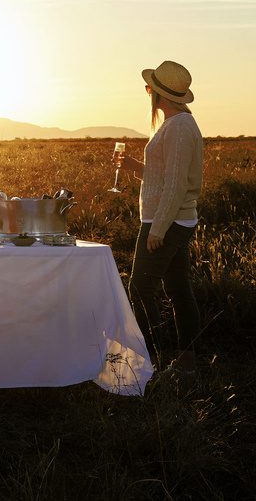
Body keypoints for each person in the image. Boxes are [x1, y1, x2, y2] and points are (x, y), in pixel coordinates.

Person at [119, 59, 203, 379]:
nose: (147, 91)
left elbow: (177, 185)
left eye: (149, 88)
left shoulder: (179, 126)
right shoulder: (176, 124)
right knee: (179, 290)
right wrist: (134, 167)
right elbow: (166, 176)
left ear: (159, 94)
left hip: (167, 221)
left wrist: (159, 228)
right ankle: (185, 366)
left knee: (140, 289)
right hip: (172, 220)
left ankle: (149, 363)